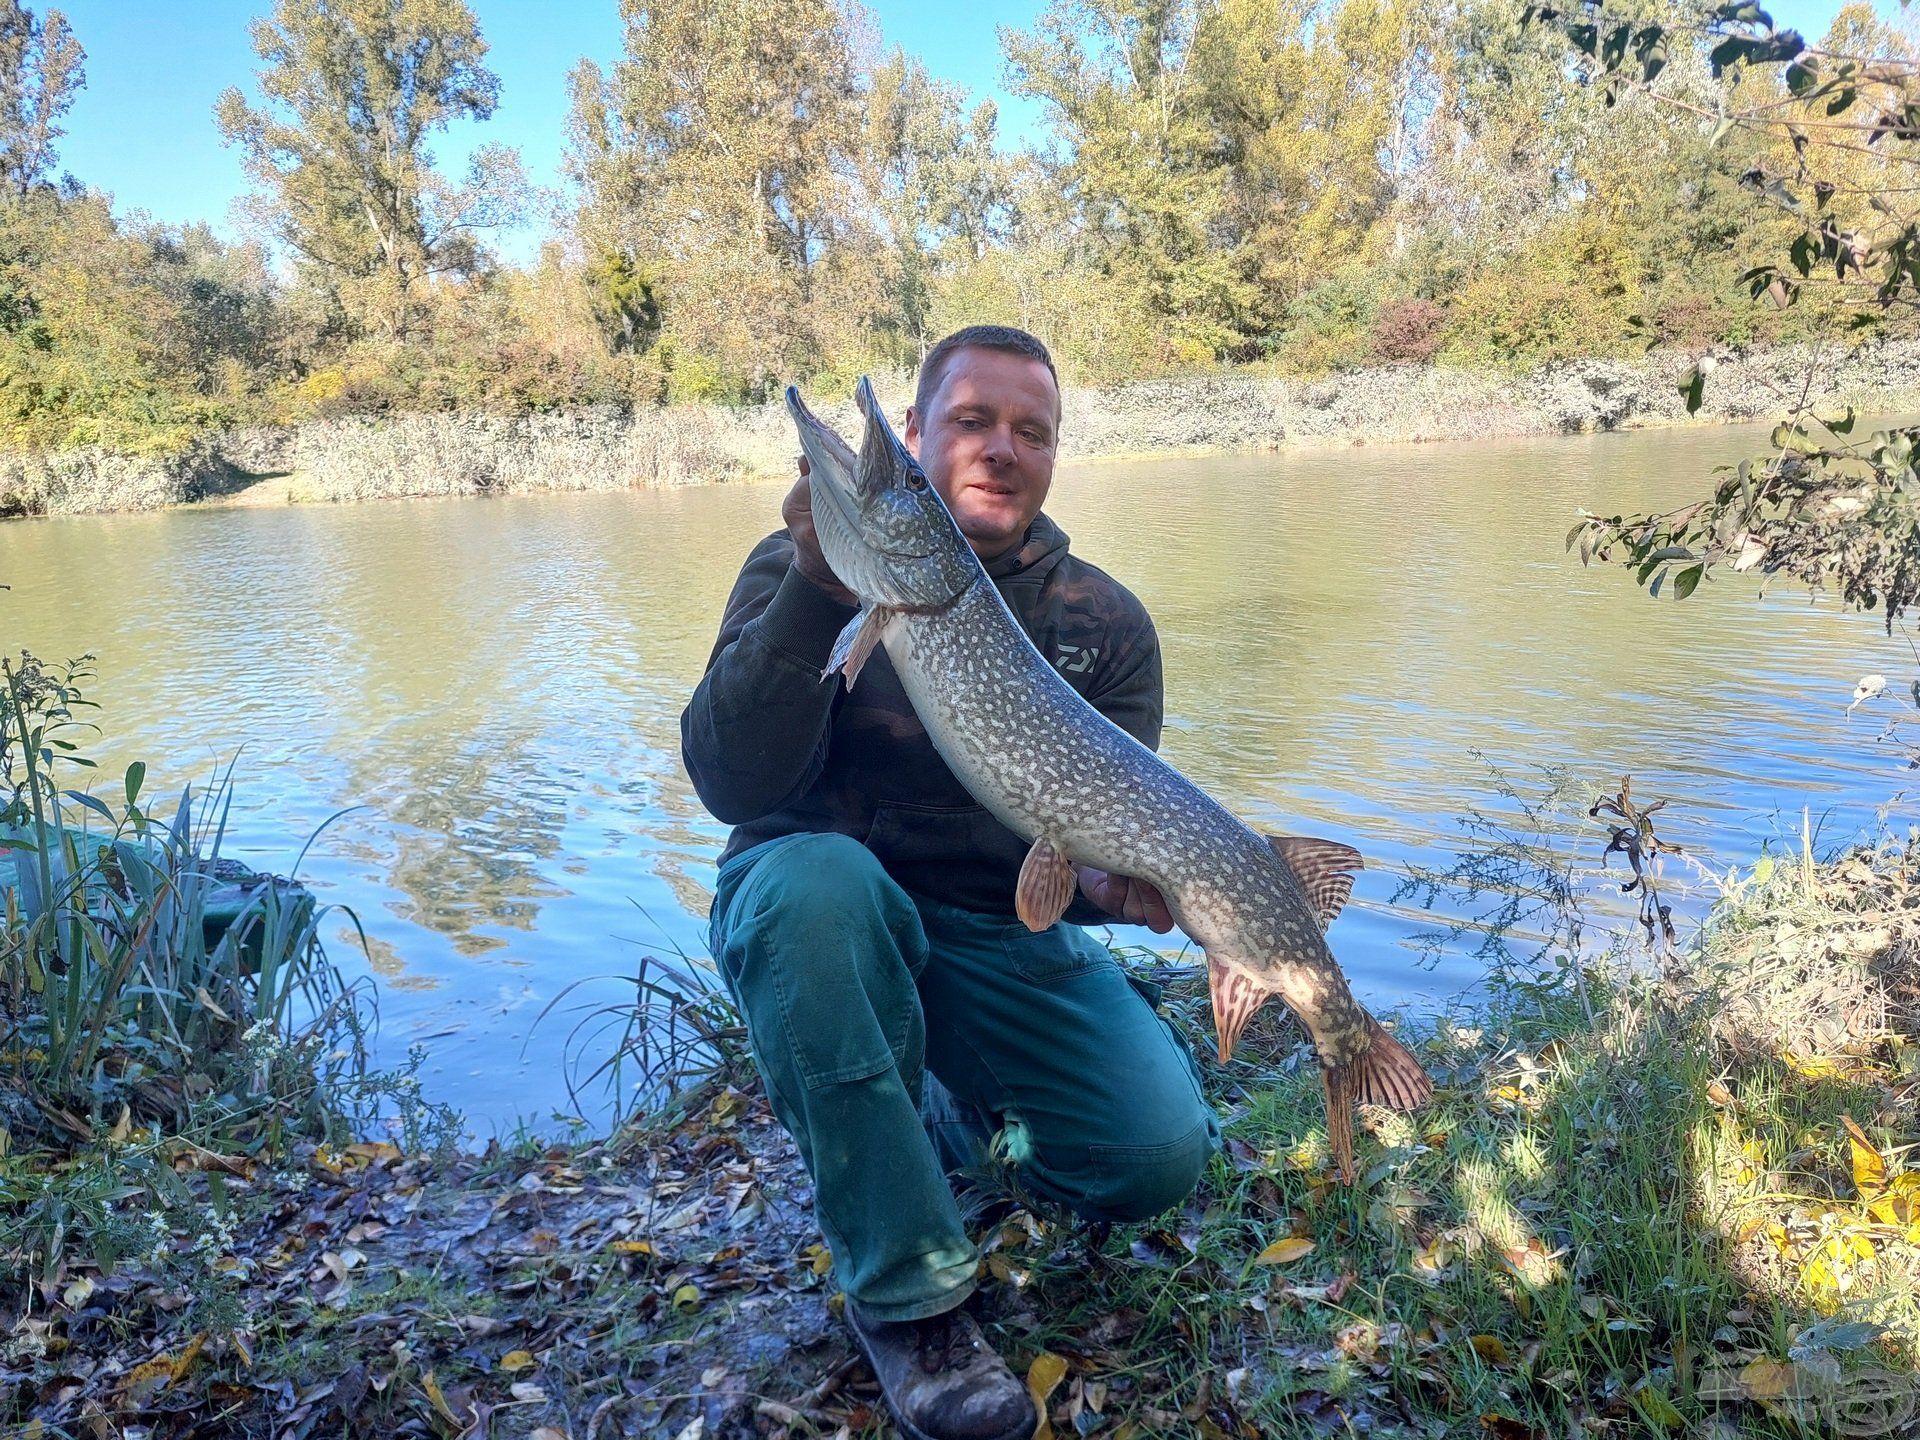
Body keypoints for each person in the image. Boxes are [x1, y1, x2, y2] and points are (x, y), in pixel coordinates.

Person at [680, 325, 1219, 1440]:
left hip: (992, 937)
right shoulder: (793, 569)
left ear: (1056, 456)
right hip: (823, 917)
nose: (1001, 449)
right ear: (918, 436)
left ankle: (926, 1113)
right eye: (971, 420)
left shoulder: (1104, 624)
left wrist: (1110, 893)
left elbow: (1067, 860)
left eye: (1032, 431)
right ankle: (909, 1300)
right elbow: (730, 783)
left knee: (1156, 1154)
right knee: (816, 893)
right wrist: (815, 600)